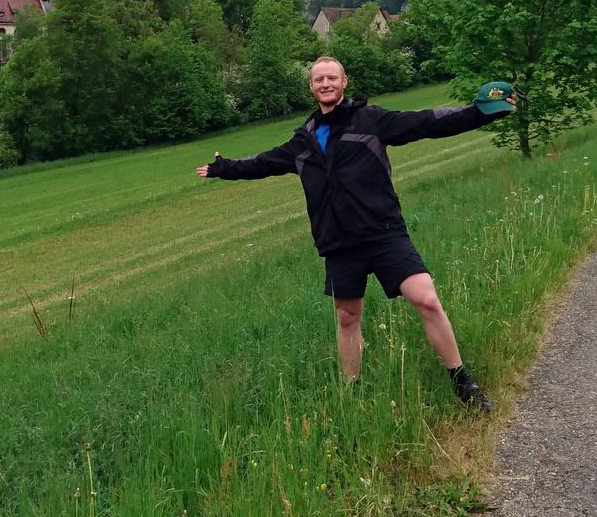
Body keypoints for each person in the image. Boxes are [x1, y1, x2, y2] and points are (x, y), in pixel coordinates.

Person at [197, 56, 516, 410]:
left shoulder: (370, 120)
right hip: (339, 244)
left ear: (344, 81)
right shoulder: (302, 141)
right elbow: (262, 163)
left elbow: (426, 122)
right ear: (311, 87)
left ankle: (462, 383)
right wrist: (223, 168)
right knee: (347, 317)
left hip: (383, 232)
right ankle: (351, 395)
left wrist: (480, 112)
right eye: (319, 79)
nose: (325, 84)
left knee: (425, 299)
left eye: (332, 78)